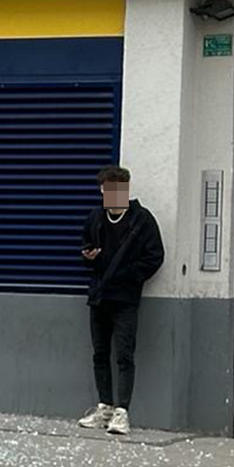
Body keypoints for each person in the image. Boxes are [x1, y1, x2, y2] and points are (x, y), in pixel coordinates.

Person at [78, 165, 164, 436]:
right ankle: (104, 406)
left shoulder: (141, 220)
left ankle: (122, 411)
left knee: (124, 355)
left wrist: (129, 276)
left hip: (125, 298)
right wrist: (88, 256)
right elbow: (85, 246)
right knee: (100, 354)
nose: (109, 194)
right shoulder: (96, 218)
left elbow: (154, 257)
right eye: (105, 189)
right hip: (99, 295)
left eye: (115, 189)